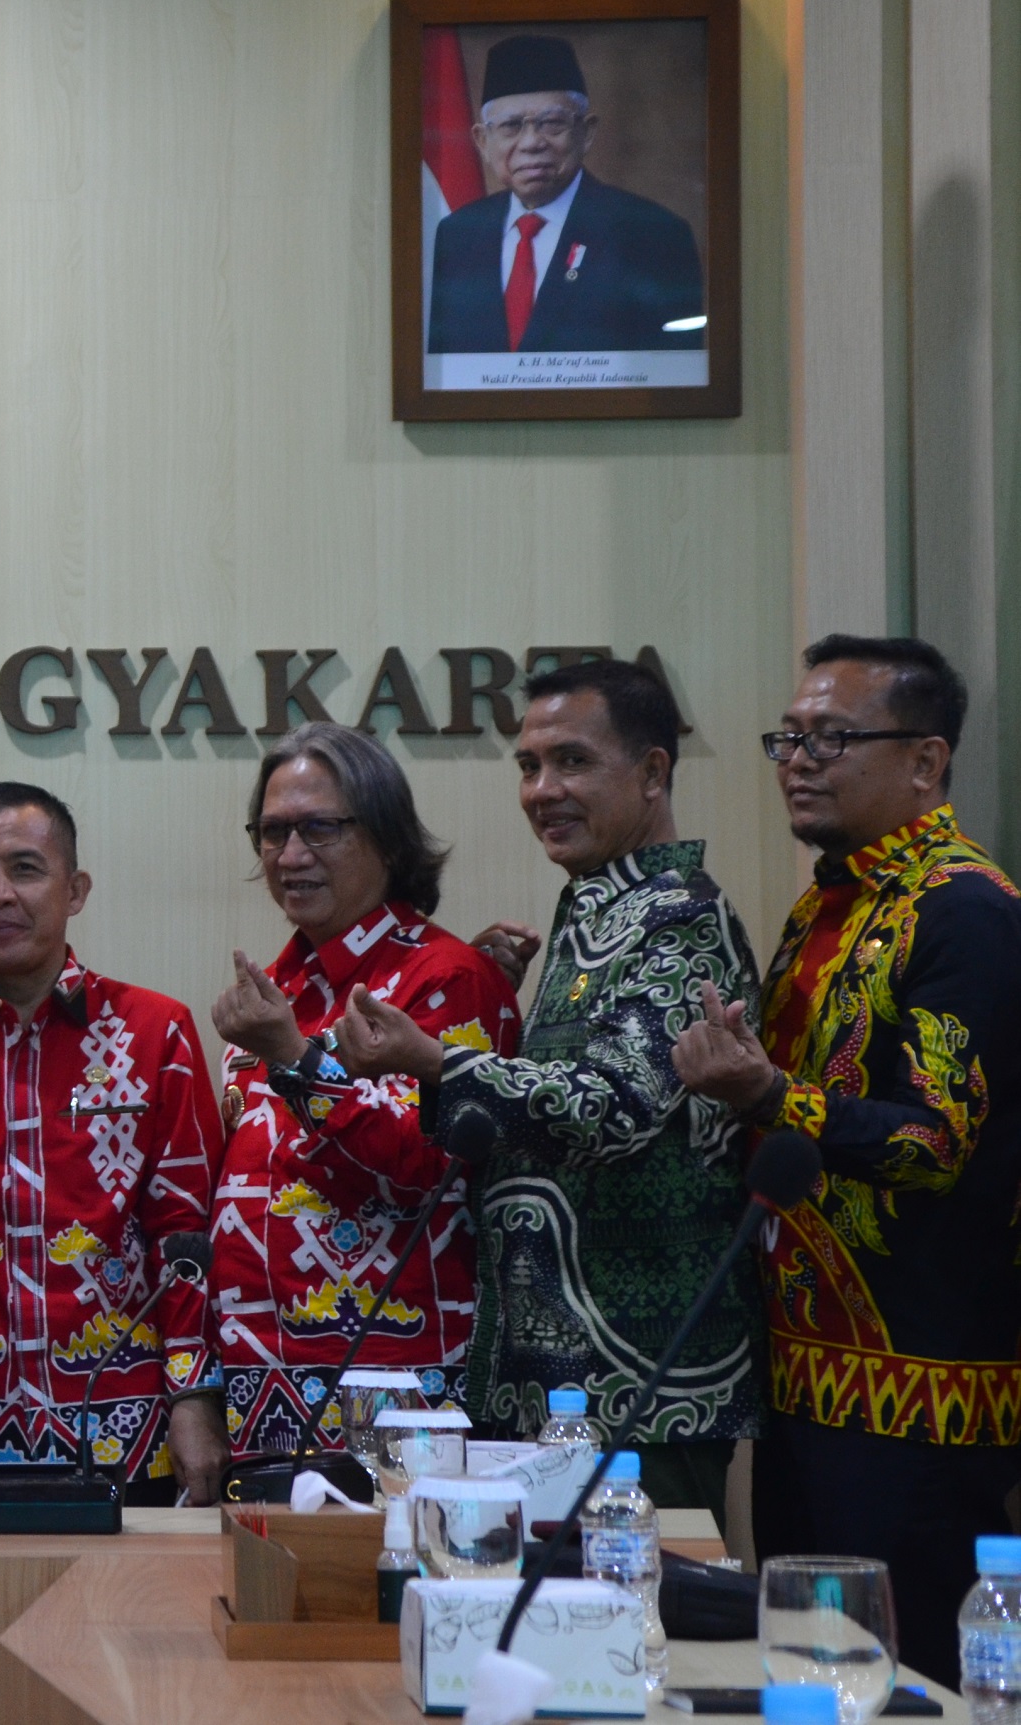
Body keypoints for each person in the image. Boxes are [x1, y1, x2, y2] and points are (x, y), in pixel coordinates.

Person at [341, 659, 761, 1519]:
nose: (542, 789)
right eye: (529, 766)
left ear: (652, 772)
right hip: (551, 1384)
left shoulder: (682, 912)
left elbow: (613, 1104)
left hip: (645, 1381)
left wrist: (435, 1061)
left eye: (571, 761)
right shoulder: (594, 907)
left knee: (640, 1637)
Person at [674, 635, 1021, 1674]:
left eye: (832, 737)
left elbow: (929, 1140)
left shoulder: (964, 912)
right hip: (803, 1376)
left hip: (922, 1392)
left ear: (925, 760)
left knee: (905, 1682)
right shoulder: (831, 905)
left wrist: (769, 1092)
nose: (799, 758)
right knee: (803, 1676)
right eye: (788, 737)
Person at [0, 781, 227, 1502]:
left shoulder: (157, 1030)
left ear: (75, 888)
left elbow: (184, 1233)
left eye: (25, 868)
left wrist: (194, 1396)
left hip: (125, 1423)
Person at [210, 722, 522, 1459]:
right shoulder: (276, 987)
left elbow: (420, 1171)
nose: (291, 855)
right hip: (260, 1382)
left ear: (385, 836)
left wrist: (291, 1055)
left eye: (319, 828)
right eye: (273, 831)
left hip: (397, 1379)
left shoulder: (449, 977)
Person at [426, 33, 705, 357]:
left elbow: (675, 372)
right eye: (511, 126)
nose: (531, 143)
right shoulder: (457, 234)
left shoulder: (653, 235)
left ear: (586, 133)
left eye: (551, 123)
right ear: (482, 141)